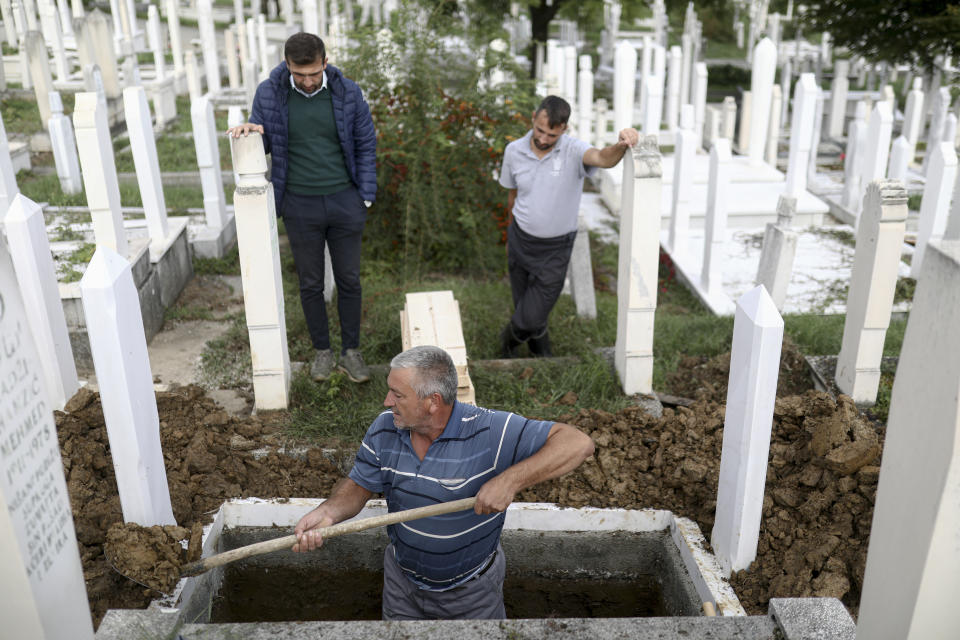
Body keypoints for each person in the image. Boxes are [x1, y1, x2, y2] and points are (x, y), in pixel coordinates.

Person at [292, 345, 595, 620]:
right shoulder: (385, 428)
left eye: (398, 395)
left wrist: (509, 480)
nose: (387, 401)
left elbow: (577, 443)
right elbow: (360, 484)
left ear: (432, 402)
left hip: (472, 595)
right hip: (402, 588)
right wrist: (328, 513)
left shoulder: (488, 431)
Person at [227, 32, 377, 383]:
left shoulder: (347, 92)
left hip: (345, 201)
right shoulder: (269, 92)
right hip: (298, 204)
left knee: (349, 280)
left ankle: (351, 351)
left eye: (313, 73)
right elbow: (265, 139)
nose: (307, 82)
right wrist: (251, 132)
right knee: (310, 283)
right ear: (288, 65)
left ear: (325, 62)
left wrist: (364, 197)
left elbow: (365, 142)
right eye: (299, 74)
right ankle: (322, 352)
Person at [497, 95, 639, 358]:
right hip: (520, 239)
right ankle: (542, 357)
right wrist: (509, 235)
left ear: (563, 129)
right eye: (540, 130)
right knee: (524, 304)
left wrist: (622, 143)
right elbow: (512, 196)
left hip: (555, 248)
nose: (543, 138)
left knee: (530, 314)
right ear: (533, 119)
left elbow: (603, 158)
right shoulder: (514, 151)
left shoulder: (574, 150)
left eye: (551, 134)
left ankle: (506, 344)